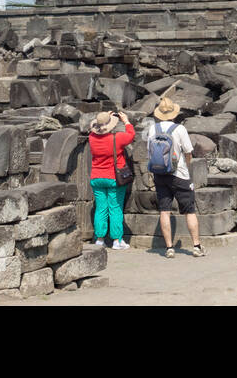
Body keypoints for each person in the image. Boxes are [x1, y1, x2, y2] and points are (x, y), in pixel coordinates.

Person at [146, 96, 205, 258]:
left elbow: (149, 153)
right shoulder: (179, 129)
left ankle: (169, 248)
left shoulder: (153, 129)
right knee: (189, 211)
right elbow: (188, 152)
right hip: (179, 174)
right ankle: (196, 246)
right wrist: (186, 165)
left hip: (160, 174)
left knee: (164, 211)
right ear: (173, 113)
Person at [87, 110, 135, 250]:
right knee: (115, 208)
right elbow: (131, 135)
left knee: (101, 208)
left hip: (96, 177)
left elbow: (94, 130)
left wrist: (103, 117)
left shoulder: (91, 138)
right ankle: (117, 240)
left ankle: (100, 239)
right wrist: (126, 120)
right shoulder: (117, 138)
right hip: (114, 178)